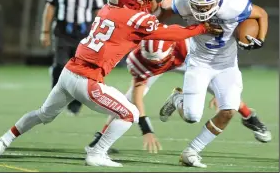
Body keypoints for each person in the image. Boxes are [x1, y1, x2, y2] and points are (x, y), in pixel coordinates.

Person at [0, 0, 221, 167]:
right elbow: (168, 32)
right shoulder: (136, 18)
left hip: (69, 72)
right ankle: (96, 153)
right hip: (88, 80)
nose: (143, 0)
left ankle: (2, 141)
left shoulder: (107, 9)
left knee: (43, 114)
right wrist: (200, 28)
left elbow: (138, 14)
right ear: (131, 0)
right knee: (129, 113)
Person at [158, 0, 269, 168]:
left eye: (206, 5)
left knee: (229, 110)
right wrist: (157, 11)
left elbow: (261, 14)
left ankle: (191, 152)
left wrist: (260, 39)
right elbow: (159, 16)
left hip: (226, 64)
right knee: (192, 116)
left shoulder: (234, 3)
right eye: (197, 6)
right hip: (199, 62)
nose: (201, 10)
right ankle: (177, 99)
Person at [86, 37, 271, 154]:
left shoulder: (185, 45)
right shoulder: (141, 60)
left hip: (188, 63)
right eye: (152, 60)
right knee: (127, 101)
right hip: (163, 63)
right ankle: (100, 137)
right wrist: (147, 129)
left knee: (225, 94)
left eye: (159, 59)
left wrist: (217, 86)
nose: (157, 63)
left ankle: (249, 116)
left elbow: (210, 68)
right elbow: (137, 97)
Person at [40, 0, 104, 115]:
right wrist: (45, 31)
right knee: (60, 66)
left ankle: (76, 104)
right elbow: (50, 7)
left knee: (82, 70)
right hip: (63, 30)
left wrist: (100, 35)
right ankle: (55, 100)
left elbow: (99, 10)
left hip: (84, 33)